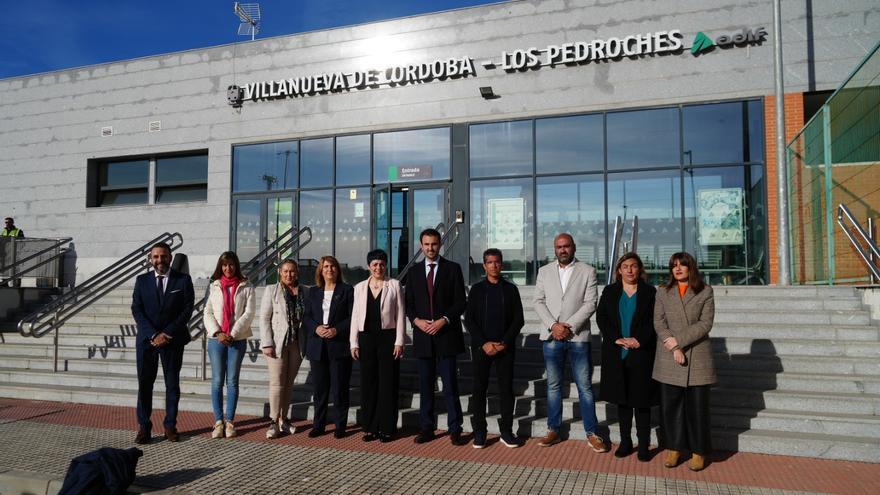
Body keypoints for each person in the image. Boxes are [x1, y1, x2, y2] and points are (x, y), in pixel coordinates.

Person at [533, 233, 608, 452]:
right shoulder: (544, 271)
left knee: (585, 387)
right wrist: (553, 326)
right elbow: (538, 301)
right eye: (559, 247)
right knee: (554, 386)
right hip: (551, 336)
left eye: (566, 246)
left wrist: (568, 326)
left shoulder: (588, 271)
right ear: (554, 249)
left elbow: (590, 303)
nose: (562, 250)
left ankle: (592, 433)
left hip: (578, 337)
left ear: (574, 247)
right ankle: (553, 429)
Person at [653, 251, 716, 472]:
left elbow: (705, 324)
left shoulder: (705, 291)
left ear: (691, 267)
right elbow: (659, 322)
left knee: (698, 409)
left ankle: (699, 452)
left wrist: (678, 343)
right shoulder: (663, 291)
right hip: (668, 357)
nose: (678, 269)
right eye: (674, 265)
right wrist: (672, 346)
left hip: (696, 355)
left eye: (682, 265)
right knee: (671, 408)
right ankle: (674, 448)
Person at [405, 228, 467, 445]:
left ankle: (455, 428)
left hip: (446, 335)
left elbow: (461, 301)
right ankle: (426, 428)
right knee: (425, 385)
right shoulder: (413, 272)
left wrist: (444, 320)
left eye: (434, 244)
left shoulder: (453, 269)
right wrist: (417, 321)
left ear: (440, 244)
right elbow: (409, 304)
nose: (430, 248)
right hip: (423, 337)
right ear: (421, 246)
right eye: (426, 244)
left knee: (450, 385)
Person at [130, 242, 195, 444]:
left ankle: (170, 426)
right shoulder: (142, 281)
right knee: (145, 384)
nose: (160, 260)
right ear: (151, 259)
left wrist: (166, 333)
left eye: (164, 256)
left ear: (170, 257)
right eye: (156, 257)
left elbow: (187, 309)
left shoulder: (183, 280)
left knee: (172, 385)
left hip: (172, 340)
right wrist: (153, 335)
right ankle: (144, 427)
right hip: (147, 341)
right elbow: (137, 309)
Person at [596, 253, 658, 461]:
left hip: (641, 353)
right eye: (625, 266)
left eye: (634, 266)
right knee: (622, 402)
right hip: (617, 353)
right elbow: (601, 317)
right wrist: (616, 338)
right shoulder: (610, 291)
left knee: (642, 402)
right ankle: (625, 442)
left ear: (640, 269)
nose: (630, 270)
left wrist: (639, 339)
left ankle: (643, 445)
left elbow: (655, 321)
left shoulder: (650, 292)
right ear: (619, 270)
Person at [465, 248, 524, 449]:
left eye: (497, 262)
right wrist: (484, 343)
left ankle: (506, 431)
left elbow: (519, 320)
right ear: (484, 265)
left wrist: (503, 342)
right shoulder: (477, 290)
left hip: (504, 347)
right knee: (479, 389)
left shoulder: (511, 289)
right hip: (482, 348)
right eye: (490, 262)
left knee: (506, 390)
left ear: (502, 264)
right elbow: (469, 319)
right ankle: (479, 431)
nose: (494, 265)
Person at [350, 249, 405, 442]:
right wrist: (353, 342)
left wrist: (399, 341)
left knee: (388, 383)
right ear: (368, 266)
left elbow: (400, 315)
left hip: (388, 338)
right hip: (366, 339)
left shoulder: (395, 285)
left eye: (381, 264)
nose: (378, 267)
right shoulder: (359, 287)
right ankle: (371, 427)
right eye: (374, 264)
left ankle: (388, 428)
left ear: (386, 265)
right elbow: (355, 316)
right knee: (369, 383)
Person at [202, 251, 256, 439]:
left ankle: (230, 421)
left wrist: (232, 334)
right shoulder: (214, 285)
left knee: (232, 381)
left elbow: (248, 314)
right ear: (220, 266)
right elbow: (207, 312)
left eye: (231, 265)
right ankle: (218, 422)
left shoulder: (247, 286)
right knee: (217, 381)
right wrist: (218, 332)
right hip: (216, 339)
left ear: (236, 266)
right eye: (224, 265)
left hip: (237, 339)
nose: (228, 268)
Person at [304, 255, 354, 438]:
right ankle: (319, 425)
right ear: (321, 270)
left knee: (339, 388)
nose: (329, 270)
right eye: (326, 267)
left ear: (337, 270)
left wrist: (337, 330)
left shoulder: (347, 290)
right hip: (318, 346)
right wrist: (316, 328)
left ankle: (340, 425)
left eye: (332, 266)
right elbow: (307, 317)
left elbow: (352, 317)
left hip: (338, 345)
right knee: (320, 389)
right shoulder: (314, 292)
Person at [260, 259, 308, 439]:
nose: (289, 275)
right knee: (276, 383)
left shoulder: (305, 291)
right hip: (277, 344)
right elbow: (264, 318)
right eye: (286, 271)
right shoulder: (271, 290)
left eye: (293, 271)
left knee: (289, 383)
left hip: (296, 343)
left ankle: (284, 418)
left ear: (297, 272)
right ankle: (273, 421)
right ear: (280, 272)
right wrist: (267, 343)